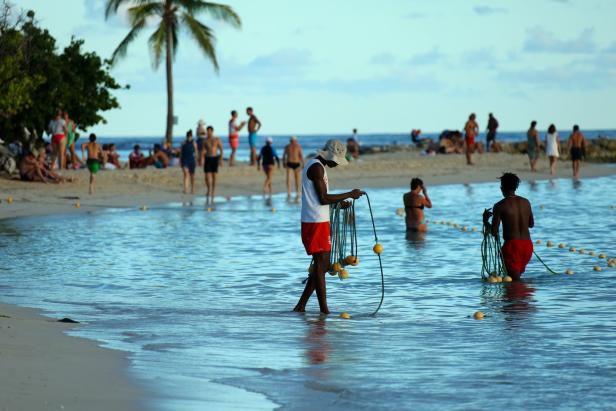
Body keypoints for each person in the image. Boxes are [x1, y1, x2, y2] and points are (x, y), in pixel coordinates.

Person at [293, 139, 365, 314]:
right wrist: (350, 194)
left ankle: (301, 307)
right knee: (321, 265)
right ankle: (324, 310)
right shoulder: (316, 168)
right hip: (314, 222)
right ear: (330, 156)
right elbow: (323, 198)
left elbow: (319, 199)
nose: (336, 164)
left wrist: (339, 204)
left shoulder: (318, 166)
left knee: (322, 266)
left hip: (319, 220)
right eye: (336, 160)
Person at [483, 172, 534, 281]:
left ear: (502, 188)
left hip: (512, 247)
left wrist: (485, 221)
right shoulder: (526, 202)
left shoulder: (499, 206)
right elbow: (531, 224)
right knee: (518, 285)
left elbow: (494, 232)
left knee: (514, 285)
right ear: (516, 187)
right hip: (528, 246)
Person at [200, 126, 223, 205]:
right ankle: (208, 189)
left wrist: (221, 159)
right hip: (207, 158)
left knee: (214, 176)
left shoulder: (216, 139)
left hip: (215, 158)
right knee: (206, 176)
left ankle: (213, 191)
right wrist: (201, 159)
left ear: (212, 131)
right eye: (207, 131)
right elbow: (203, 150)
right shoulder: (205, 141)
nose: (208, 133)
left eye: (210, 131)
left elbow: (221, 149)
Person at [180, 130, 198, 194]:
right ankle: (185, 189)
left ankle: (192, 189)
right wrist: (180, 160)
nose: (189, 137)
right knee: (186, 174)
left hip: (191, 159)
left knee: (192, 175)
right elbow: (181, 152)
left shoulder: (194, 143)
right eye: (188, 136)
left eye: (190, 136)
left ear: (191, 136)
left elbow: (196, 152)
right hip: (185, 159)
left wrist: (196, 159)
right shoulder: (183, 143)